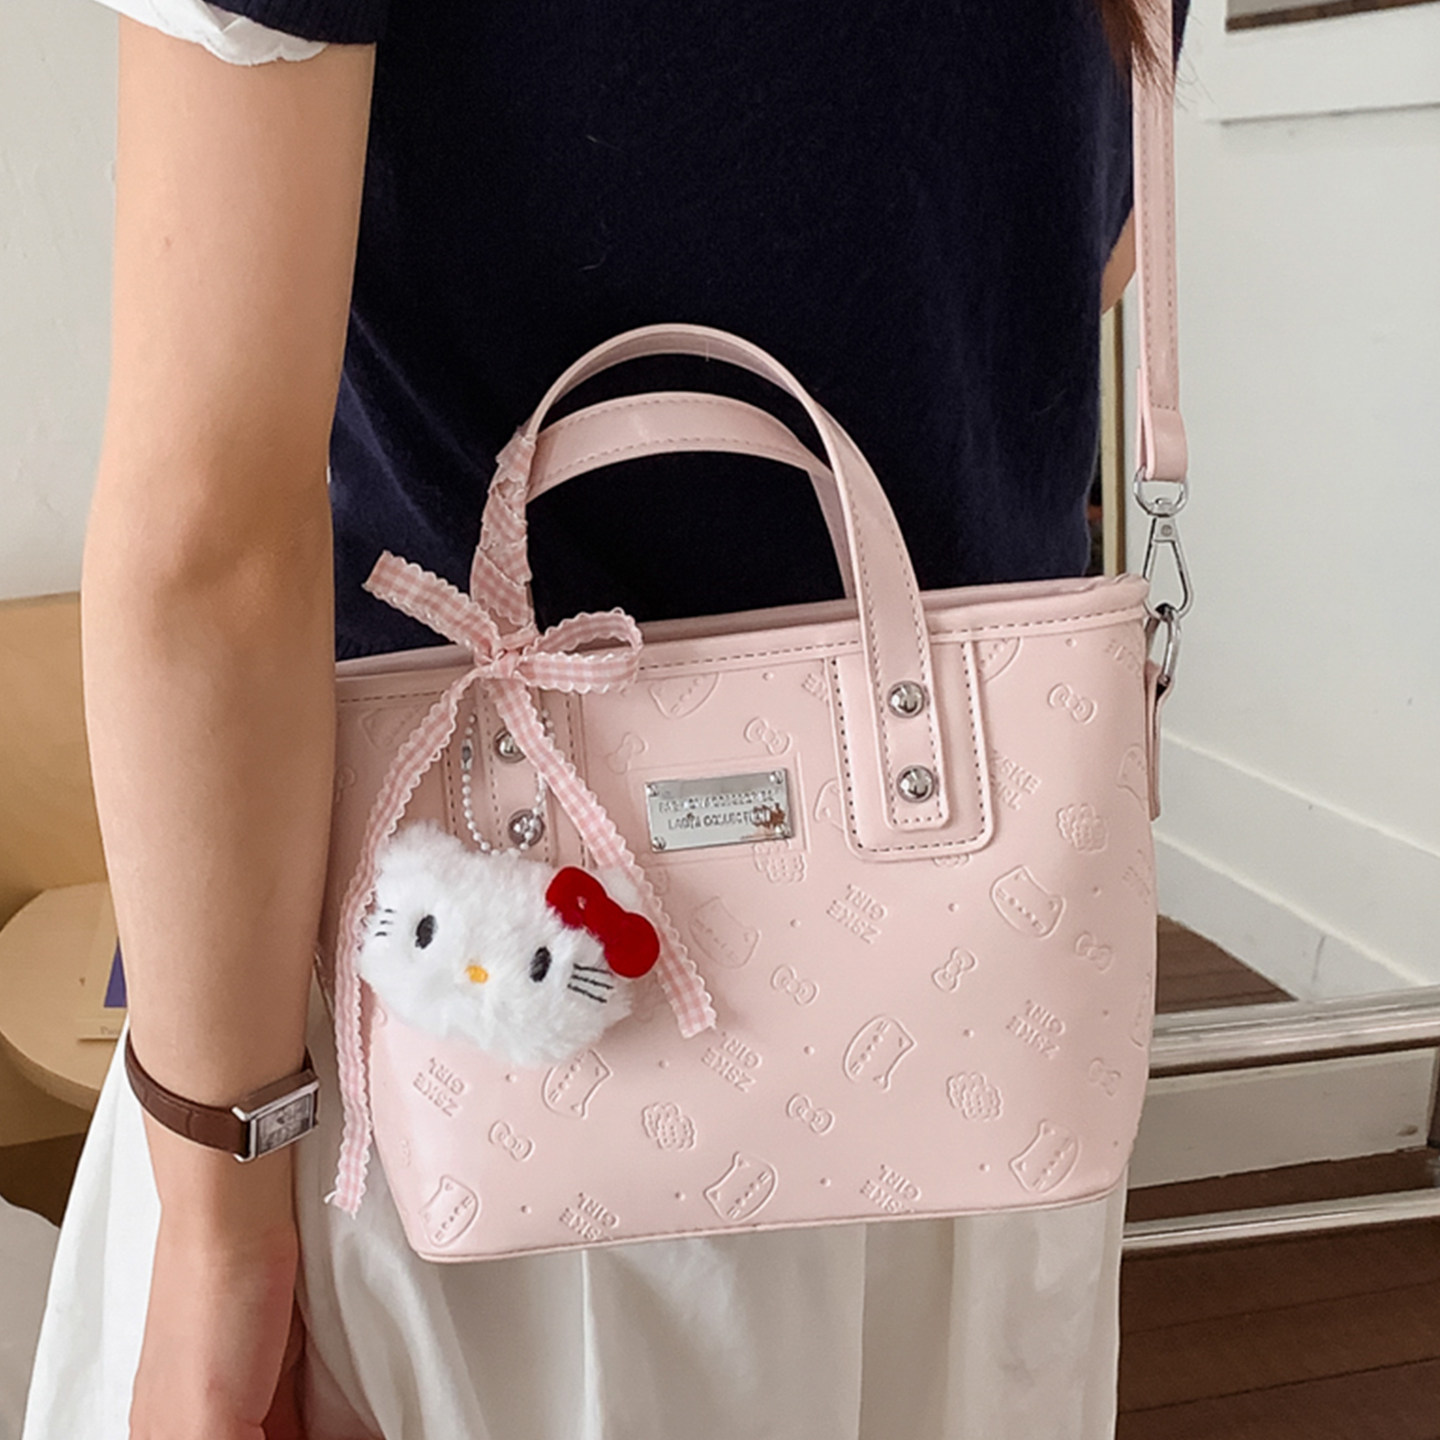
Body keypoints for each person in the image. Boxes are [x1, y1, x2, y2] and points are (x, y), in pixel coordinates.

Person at [23, 2, 1184, 1436]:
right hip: (959, 1029)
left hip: (468, 1066)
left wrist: (217, 1234)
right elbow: (1067, 258)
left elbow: (214, 537)